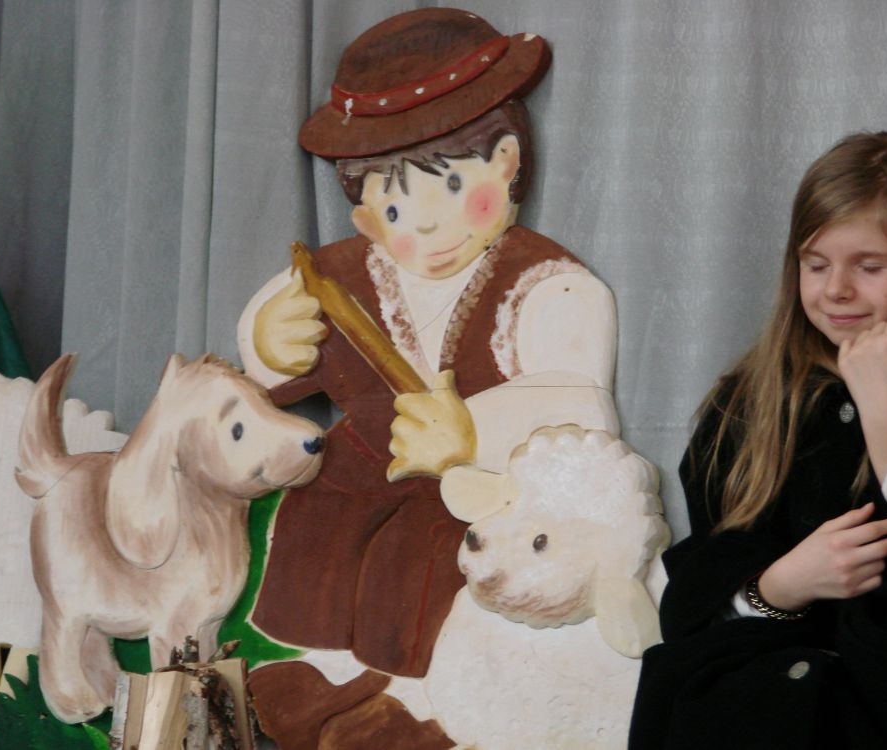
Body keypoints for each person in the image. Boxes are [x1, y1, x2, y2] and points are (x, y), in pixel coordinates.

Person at [236, 9, 619, 747]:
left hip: (469, 499)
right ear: (364, 215)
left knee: (424, 587)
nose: (429, 226)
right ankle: (310, 684)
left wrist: (476, 435)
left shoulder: (546, 284)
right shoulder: (343, 275)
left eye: (450, 187)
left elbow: (582, 412)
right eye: (393, 205)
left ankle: (412, 708)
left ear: (505, 161)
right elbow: (269, 356)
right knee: (313, 571)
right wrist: (271, 340)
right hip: (350, 484)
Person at [629, 130, 887, 750]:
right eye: (815, 265)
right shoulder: (748, 405)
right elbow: (701, 594)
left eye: (870, 267)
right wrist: (780, 586)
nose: (836, 289)